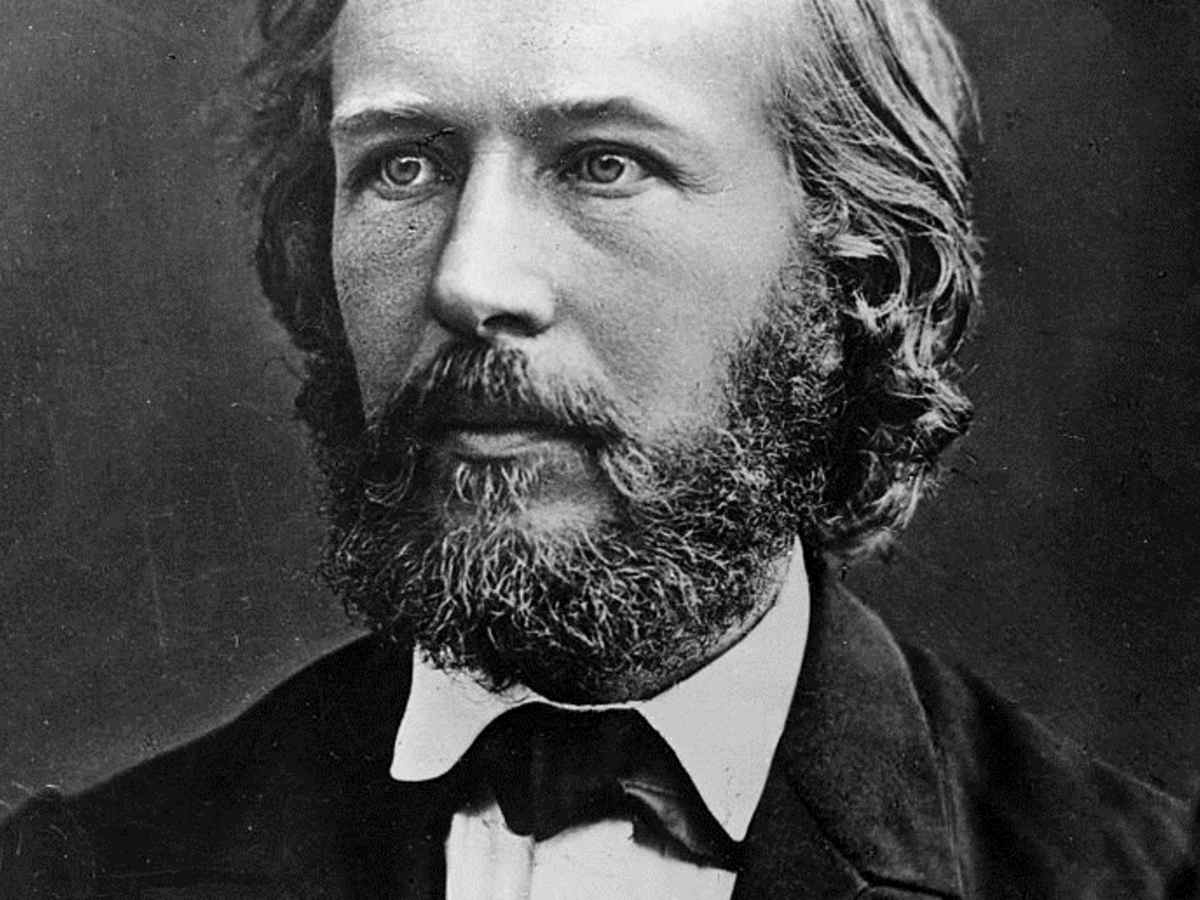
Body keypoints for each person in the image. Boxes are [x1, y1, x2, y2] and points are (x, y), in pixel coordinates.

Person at [1, 0, 1194, 896]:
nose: (471, 281)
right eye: (403, 166)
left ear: (855, 269)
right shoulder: (82, 872)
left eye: (602, 164)